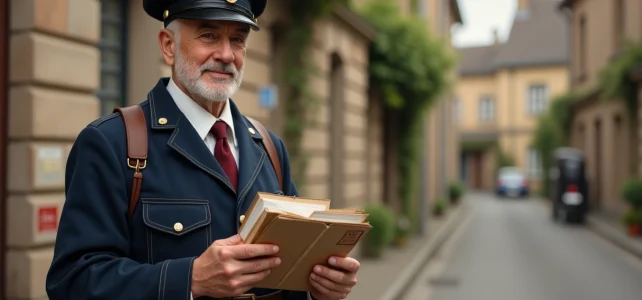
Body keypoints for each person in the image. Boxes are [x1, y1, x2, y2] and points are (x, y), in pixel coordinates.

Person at [44, 0, 361, 299]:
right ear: (168, 46)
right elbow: (72, 281)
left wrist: (320, 286)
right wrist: (190, 279)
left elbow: (288, 271)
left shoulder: (269, 147)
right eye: (209, 35)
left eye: (237, 39)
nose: (226, 54)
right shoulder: (113, 143)